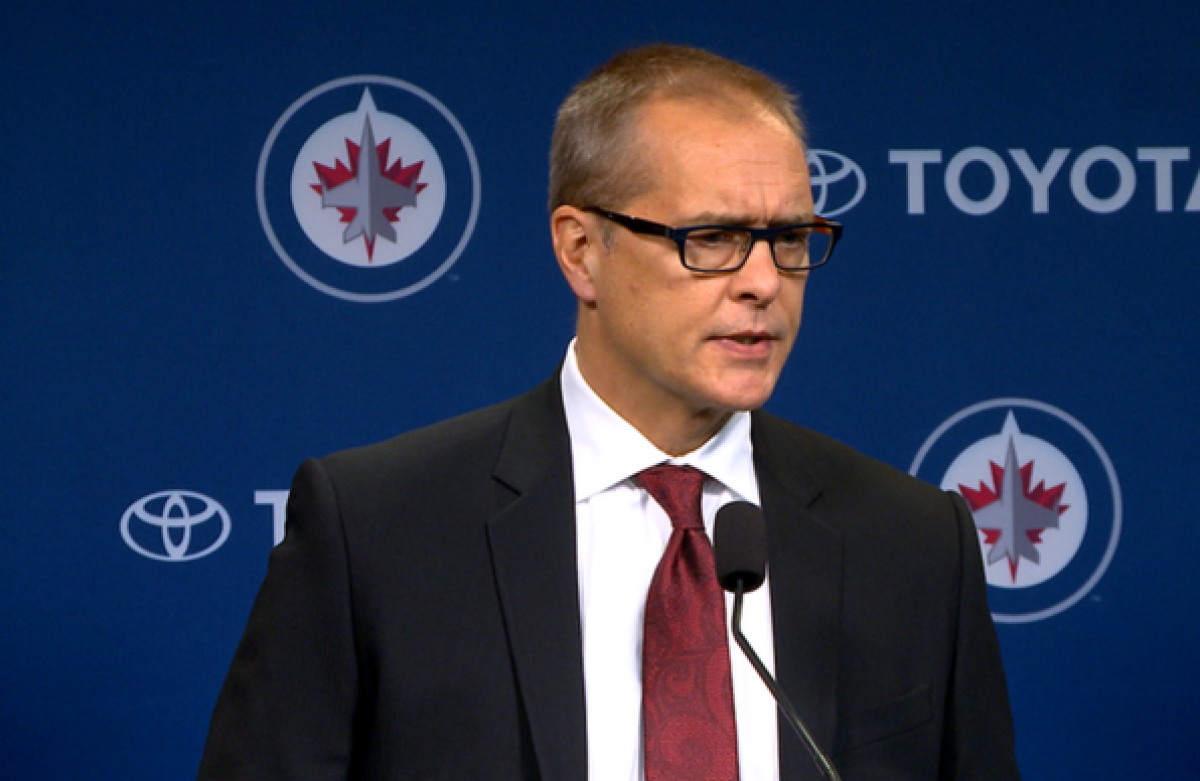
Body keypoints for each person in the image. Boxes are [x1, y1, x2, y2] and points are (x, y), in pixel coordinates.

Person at [198, 43, 1020, 780]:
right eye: (712, 237)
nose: (765, 281)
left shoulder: (915, 544)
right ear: (581, 250)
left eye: (790, 237)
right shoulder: (377, 532)